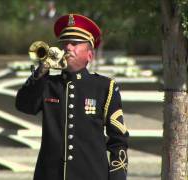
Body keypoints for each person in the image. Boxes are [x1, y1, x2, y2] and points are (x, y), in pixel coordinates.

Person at [16, 14, 129, 180]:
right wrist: (41, 71)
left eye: (75, 44)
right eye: (64, 43)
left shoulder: (105, 87)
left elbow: (118, 138)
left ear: (90, 55)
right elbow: (24, 105)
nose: (68, 47)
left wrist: (117, 176)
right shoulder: (46, 84)